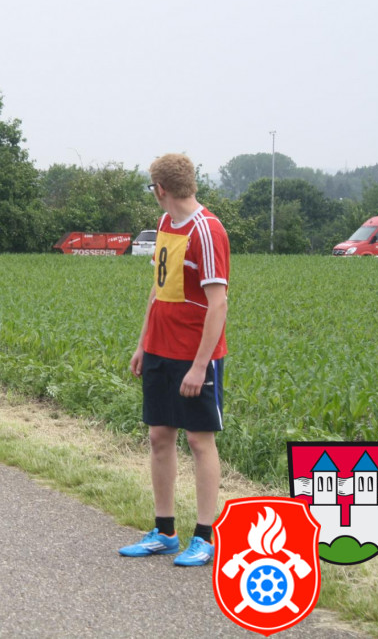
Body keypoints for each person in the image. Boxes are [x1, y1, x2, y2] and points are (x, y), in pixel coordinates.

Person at [120, 153, 230, 567]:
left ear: (160, 188)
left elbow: (218, 305)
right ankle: (165, 532)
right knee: (159, 437)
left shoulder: (208, 231)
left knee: (200, 441)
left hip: (194, 356)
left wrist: (200, 366)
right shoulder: (166, 223)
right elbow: (159, 287)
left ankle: (204, 537)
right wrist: (142, 343)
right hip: (159, 350)